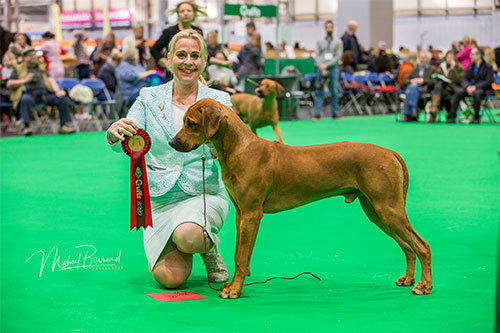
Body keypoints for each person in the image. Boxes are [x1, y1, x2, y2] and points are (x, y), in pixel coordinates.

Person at [106, 29, 230, 288]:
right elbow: (131, 133)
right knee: (169, 279)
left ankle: (207, 247)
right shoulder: (148, 98)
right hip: (160, 199)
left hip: (202, 193)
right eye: (181, 55)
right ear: (169, 58)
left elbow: (232, 147)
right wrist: (115, 133)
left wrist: (221, 149)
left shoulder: (220, 100)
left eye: (196, 56)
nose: (188, 62)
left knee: (189, 236)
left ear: (204, 61)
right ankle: (183, 239)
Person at [6, 48, 75, 136]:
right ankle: (26, 127)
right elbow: (9, 83)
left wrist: (57, 91)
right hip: (29, 94)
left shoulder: (40, 67)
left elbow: (50, 79)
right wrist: (25, 80)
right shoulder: (18, 68)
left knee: (62, 99)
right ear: (24, 58)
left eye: (34, 55)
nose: (33, 57)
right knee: (25, 100)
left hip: (44, 94)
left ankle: (64, 126)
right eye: (30, 56)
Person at [151, 1, 205, 82]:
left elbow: (202, 52)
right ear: (178, 14)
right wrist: (166, 63)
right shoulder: (169, 31)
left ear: (193, 13)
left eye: (188, 11)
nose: (186, 13)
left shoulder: (198, 31)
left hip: (193, 74)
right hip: (173, 76)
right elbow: (154, 50)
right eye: (182, 11)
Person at [447, 47, 494, 124]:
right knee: (458, 92)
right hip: (469, 89)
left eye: (472, 54)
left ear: (479, 55)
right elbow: (464, 79)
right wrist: (468, 87)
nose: (470, 56)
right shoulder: (470, 67)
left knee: (477, 93)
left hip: (483, 89)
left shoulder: (488, 67)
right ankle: (452, 116)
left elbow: (488, 81)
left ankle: (476, 117)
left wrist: (475, 87)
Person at [313, 20, 343, 121]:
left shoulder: (338, 42)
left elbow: (338, 56)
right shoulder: (319, 42)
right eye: (327, 27)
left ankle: (335, 113)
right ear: (325, 28)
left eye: (331, 27)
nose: (329, 29)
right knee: (319, 90)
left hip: (333, 68)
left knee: (334, 91)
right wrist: (321, 66)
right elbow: (317, 55)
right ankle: (317, 114)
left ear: (333, 28)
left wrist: (327, 65)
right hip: (320, 69)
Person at [427, 51, 463, 123]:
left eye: (451, 57)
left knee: (437, 89)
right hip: (443, 89)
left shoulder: (459, 67)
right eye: (448, 57)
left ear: (454, 58)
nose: (449, 59)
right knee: (439, 84)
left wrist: (452, 69)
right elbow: (437, 75)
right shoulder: (442, 66)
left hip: (454, 89)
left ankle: (434, 110)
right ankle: (434, 109)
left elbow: (458, 80)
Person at [402, 52, 436, 122]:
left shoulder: (432, 69)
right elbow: (406, 80)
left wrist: (423, 80)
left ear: (428, 59)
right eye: (421, 58)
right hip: (413, 89)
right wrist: (412, 80)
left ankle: (408, 113)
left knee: (411, 89)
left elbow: (434, 81)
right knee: (413, 87)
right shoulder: (415, 69)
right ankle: (413, 109)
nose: (422, 60)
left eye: (424, 58)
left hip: (425, 89)